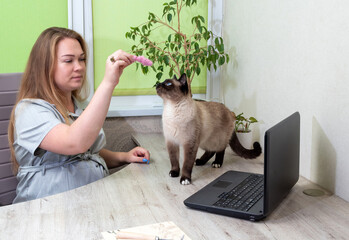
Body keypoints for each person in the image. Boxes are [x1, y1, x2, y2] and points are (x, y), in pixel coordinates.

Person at [8, 27, 150, 203]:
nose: (79, 67)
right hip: (48, 212)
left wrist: (124, 156)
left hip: (91, 203)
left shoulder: (77, 106)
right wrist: (108, 83)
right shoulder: (29, 111)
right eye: (68, 61)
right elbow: (74, 143)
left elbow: (88, 152)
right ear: (44, 67)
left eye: (81, 59)